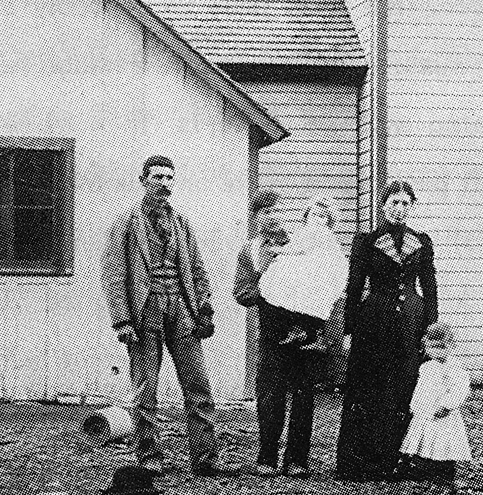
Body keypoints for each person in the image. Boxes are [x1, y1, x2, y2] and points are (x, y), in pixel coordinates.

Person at [100, 156, 236, 477]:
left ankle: (205, 457)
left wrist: (204, 309)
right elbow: (112, 274)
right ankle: (150, 455)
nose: (164, 183)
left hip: (182, 310)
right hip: (145, 310)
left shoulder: (182, 224)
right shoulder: (126, 223)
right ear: (143, 180)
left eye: (169, 178)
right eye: (157, 177)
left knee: (198, 383)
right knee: (145, 388)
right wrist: (122, 320)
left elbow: (198, 271)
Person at [335, 179, 438, 480]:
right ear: (383, 206)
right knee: (370, 387)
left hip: (410, 324)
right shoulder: (365, 241)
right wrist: (347, 330)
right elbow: (354, 288)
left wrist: (431, 331)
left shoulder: (422, 241)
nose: (400, 209)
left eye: (406, 203)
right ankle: (363, 462)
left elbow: (430, 288)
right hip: (374, 324)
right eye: (394, 202)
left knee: (404, 386)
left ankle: (399, 459)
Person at [233, 190, 320, 477]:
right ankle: (267, 455)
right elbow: (242, 292)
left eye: (277, 211)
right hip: (271, 332)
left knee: (302, 395)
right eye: (265, 212)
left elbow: (319, 284)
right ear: (256, 217)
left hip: (304, 332)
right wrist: (269, 282)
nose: (272, 217)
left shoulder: (300, 244)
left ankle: (297, 458)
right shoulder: (250, 250)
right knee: (270, 395)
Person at [259, 198, 346, 350]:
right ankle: (301, 330)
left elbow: (300, 249)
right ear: (307, 216)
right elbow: (295, 246)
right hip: (308, 269)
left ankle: (315, 334)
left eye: (322, 216)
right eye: (314, 215)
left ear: (329, 220)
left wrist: (277, 251)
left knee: (310, 297)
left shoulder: (321, 232)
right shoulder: (305, 231)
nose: (318, 219)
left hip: (320, 271)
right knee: (294, 295)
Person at [400, 322, 472, 492]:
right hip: (426, 413)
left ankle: (446, 480)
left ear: (451, 346)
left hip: (443, 414)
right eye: (432, 347)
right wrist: (416, 406)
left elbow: (460, 388)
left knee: (444, 446)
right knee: (427, 445)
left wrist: (448, 405)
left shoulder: (454, 367)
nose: (437, 351)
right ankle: (429, 478)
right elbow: (421, 388)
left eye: (441, 347)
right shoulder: (426, 367)